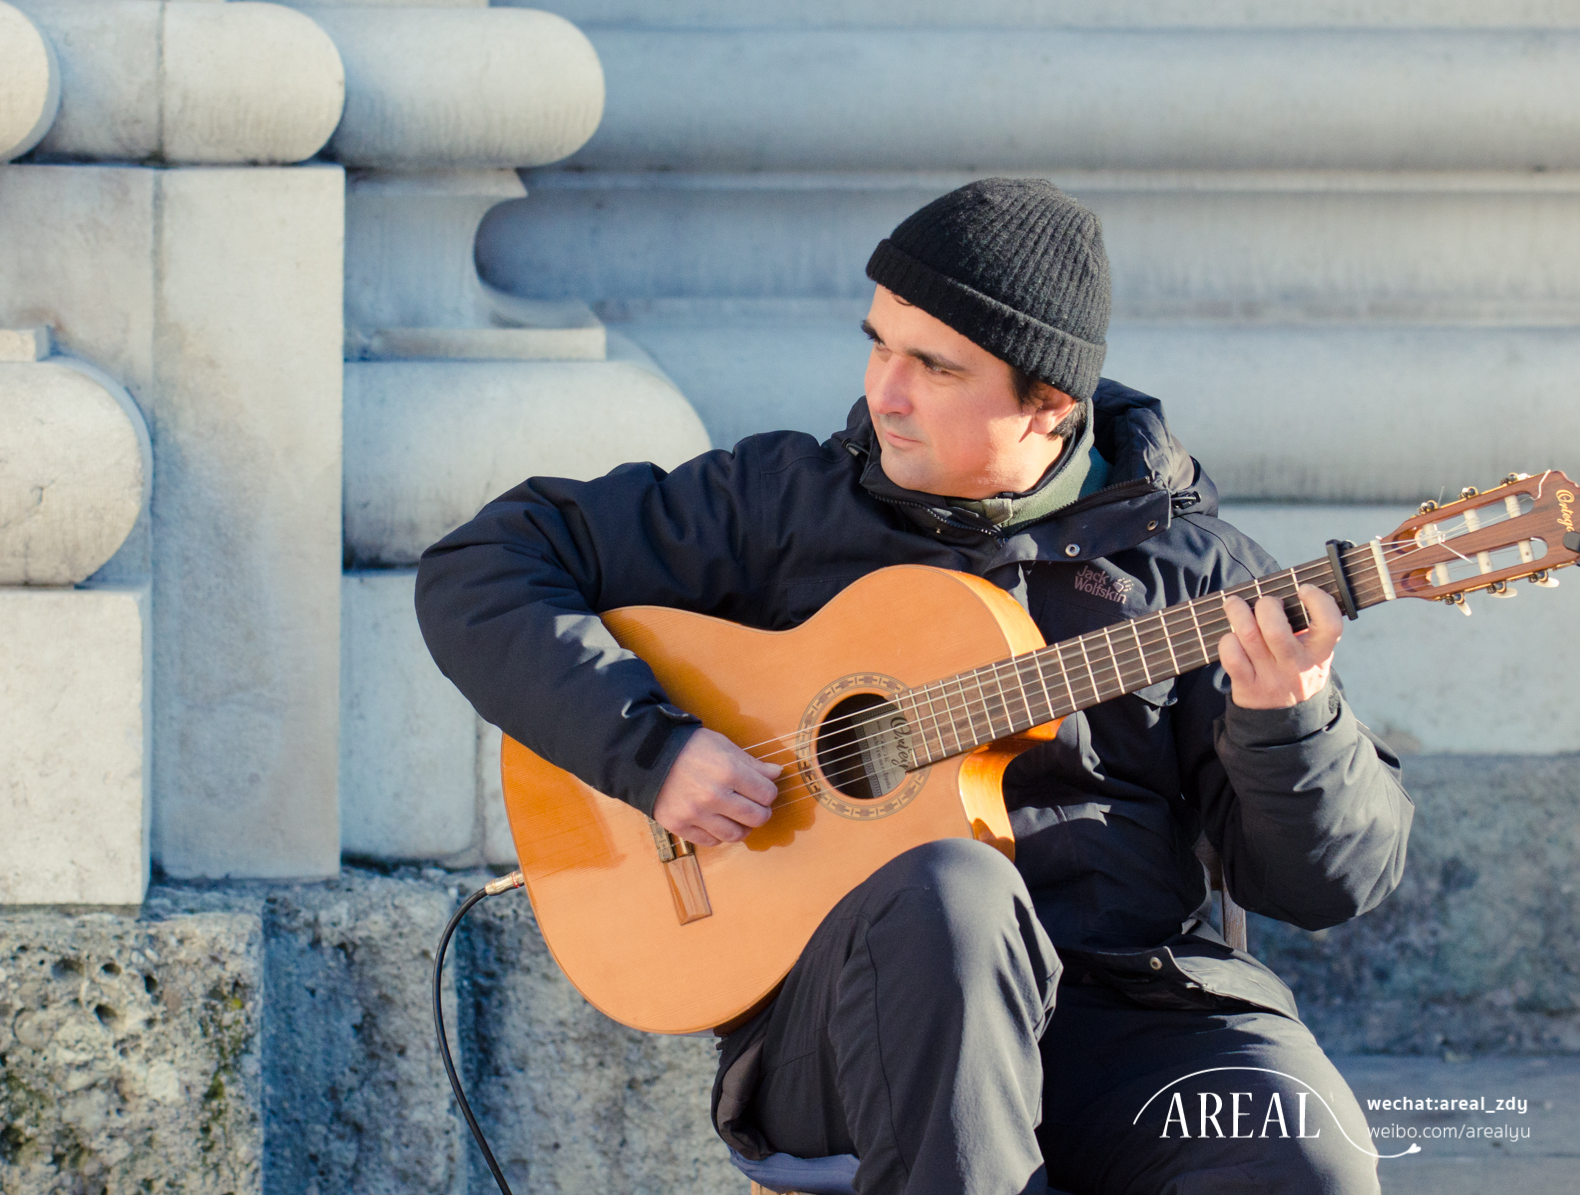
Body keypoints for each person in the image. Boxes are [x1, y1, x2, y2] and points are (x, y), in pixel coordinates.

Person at [416, 178, 1411, 1195]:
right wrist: (649, 749)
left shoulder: (1196, 574)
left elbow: (1324, 887)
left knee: (1306, 1162)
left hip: (1127, 1012)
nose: (883, 391)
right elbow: (483, 566)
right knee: (955, 890)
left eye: (933, 366)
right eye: (879, 343)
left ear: (1050, 404)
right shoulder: (785, 506)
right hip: (851, 1022)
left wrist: (1291, 723)